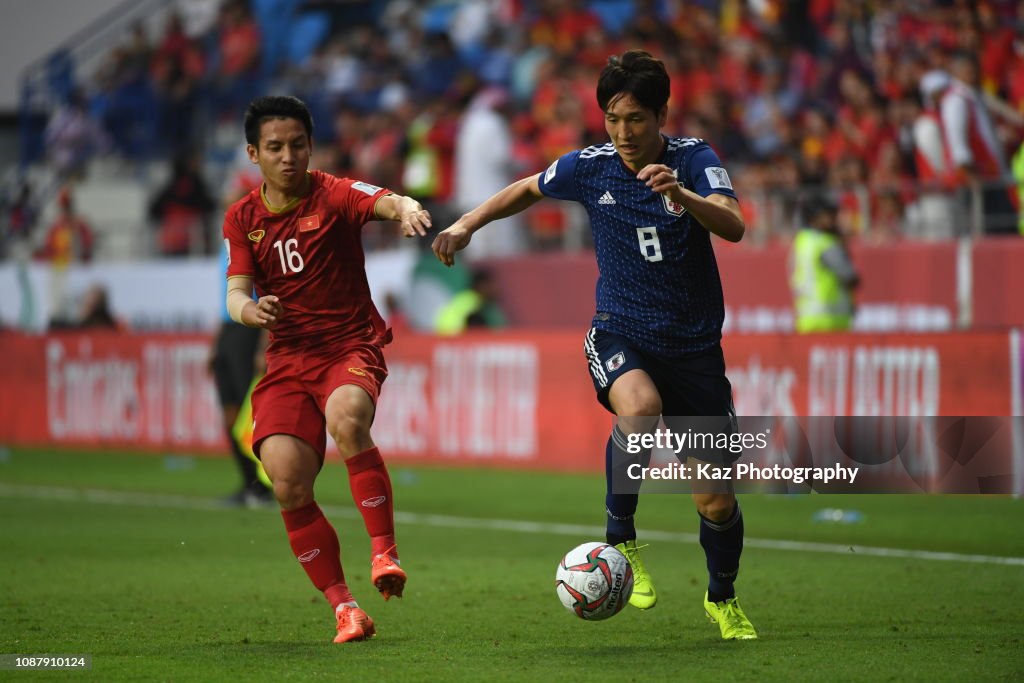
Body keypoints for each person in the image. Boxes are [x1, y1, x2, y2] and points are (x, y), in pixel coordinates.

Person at [432, 50, 757, 640]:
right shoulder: (592, 166)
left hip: (694, 350)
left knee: (715, 500)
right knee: (639, 407)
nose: (623, 132)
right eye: (612, 118)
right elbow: (526, 189)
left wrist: (681, 196)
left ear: (662, 114)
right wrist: (465, 224)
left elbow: (734, 224)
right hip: (619, 330)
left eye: (635, 119)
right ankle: (621, 540)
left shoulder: (695, 159)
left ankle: (721, 597)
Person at [222, 95, 432, 644]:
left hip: (348, 347)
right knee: (287, 480)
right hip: (288, 361)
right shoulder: (242, 219)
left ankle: (384, 552)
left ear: (310, 147)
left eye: (297, 145)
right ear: (254, 153)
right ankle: (346, 609)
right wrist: (251, 311)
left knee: (347, 418)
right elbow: (236, 294)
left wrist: (407, 208)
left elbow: (382, 199)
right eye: (275, 148)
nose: (288, 156)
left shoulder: (331, 192)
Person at [210, 241, 273, 508]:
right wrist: (217, 343)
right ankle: (247, 481)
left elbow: (268, 296)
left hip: (249, 330)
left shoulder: (256, 243)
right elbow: (226, 300)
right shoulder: (225, 248)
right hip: (228, 330)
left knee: (251, 414)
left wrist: (264, 344)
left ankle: (263, 486)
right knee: (230, 414)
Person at [789, 196, 859, 333]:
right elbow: (849, 275)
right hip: (830, 319)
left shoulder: (801, 241)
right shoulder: (826, 243)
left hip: (806, 319)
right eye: (828, 214)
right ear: (814, 218)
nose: (833, 219)